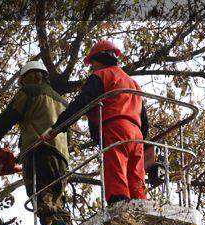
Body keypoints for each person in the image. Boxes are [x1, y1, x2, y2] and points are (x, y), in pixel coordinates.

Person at [40, 40, 149, 205]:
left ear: (98, 60)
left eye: (92, 63)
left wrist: (56, 128)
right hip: (137, 133)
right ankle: (141, 206)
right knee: (136, 173)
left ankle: (118, 204)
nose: (92, 67)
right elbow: (144, 120)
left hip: (115, 127)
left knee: (116, 166)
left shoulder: (100, 76)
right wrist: (141, 137)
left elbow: (80, 104)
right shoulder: (133, 83)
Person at [0, 60, 70, 225]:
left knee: (42, 199)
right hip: (61, 158)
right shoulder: (62, 101)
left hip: (38, 151)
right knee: (58, 200)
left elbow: (10, 116)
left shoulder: (28, 92)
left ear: (27, 79)